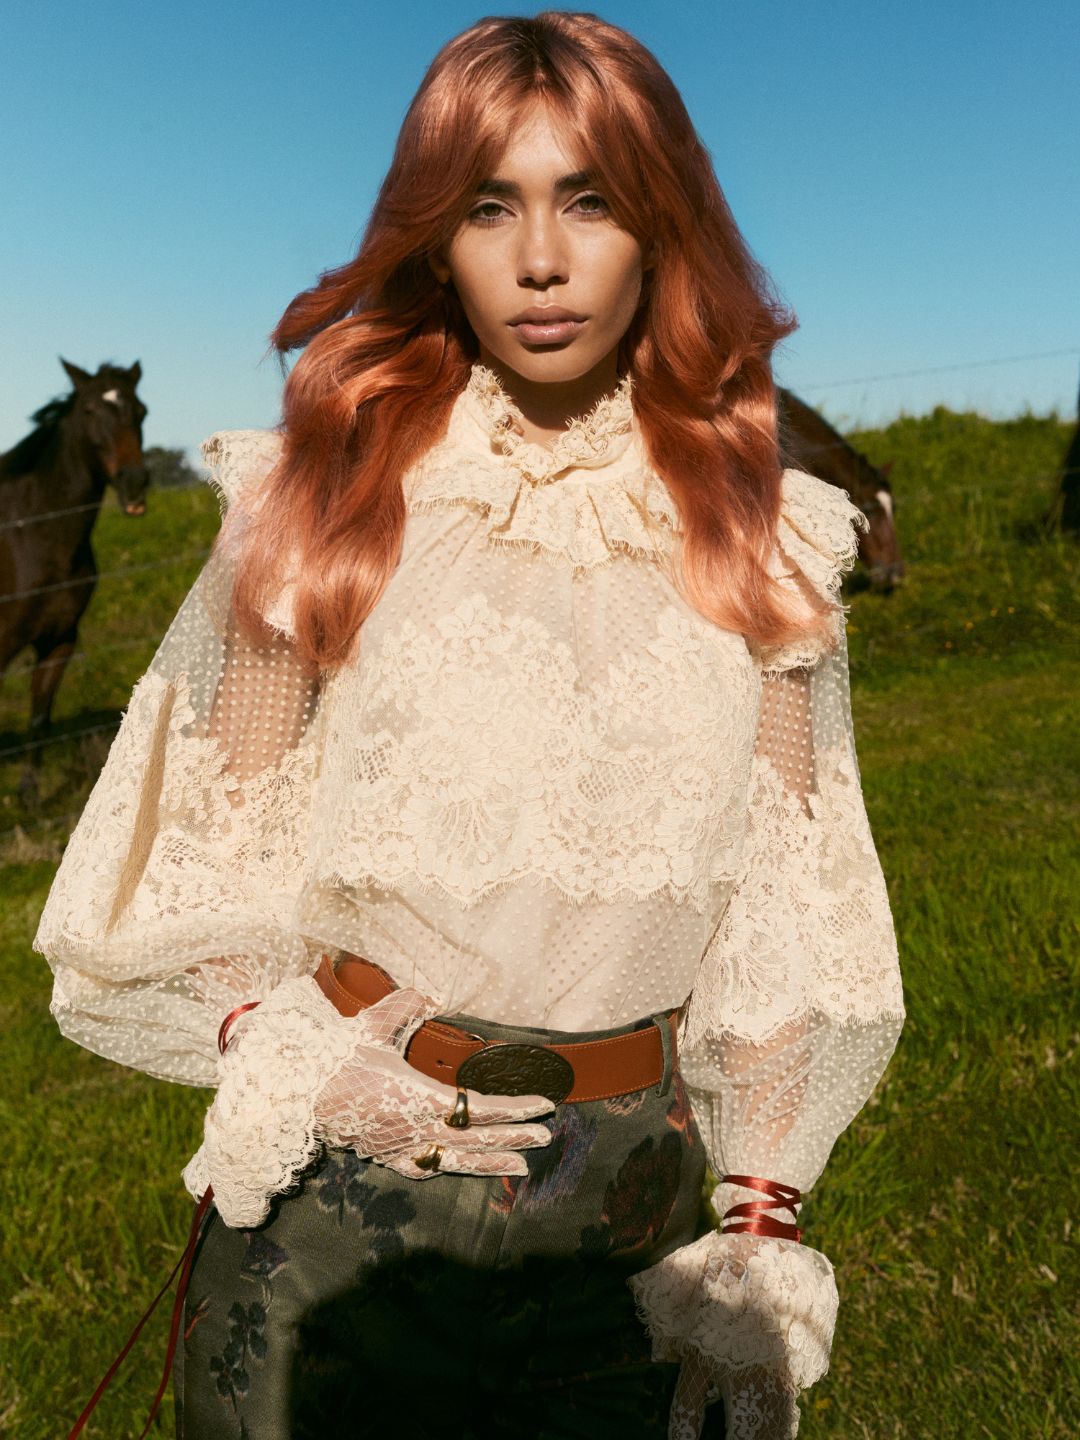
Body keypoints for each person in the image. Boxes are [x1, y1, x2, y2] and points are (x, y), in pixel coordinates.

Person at [34, 11, 905, 1439]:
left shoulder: (768, 537)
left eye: (591, 201)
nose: (540, 258)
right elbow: (204, 856)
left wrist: (759, 1224)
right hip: (342, 1192)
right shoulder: (325, 497)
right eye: (490, 206)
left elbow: (790, 918)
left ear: (662, 227)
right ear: (435, 239)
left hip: (630, 1220)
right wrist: (293, 1054)